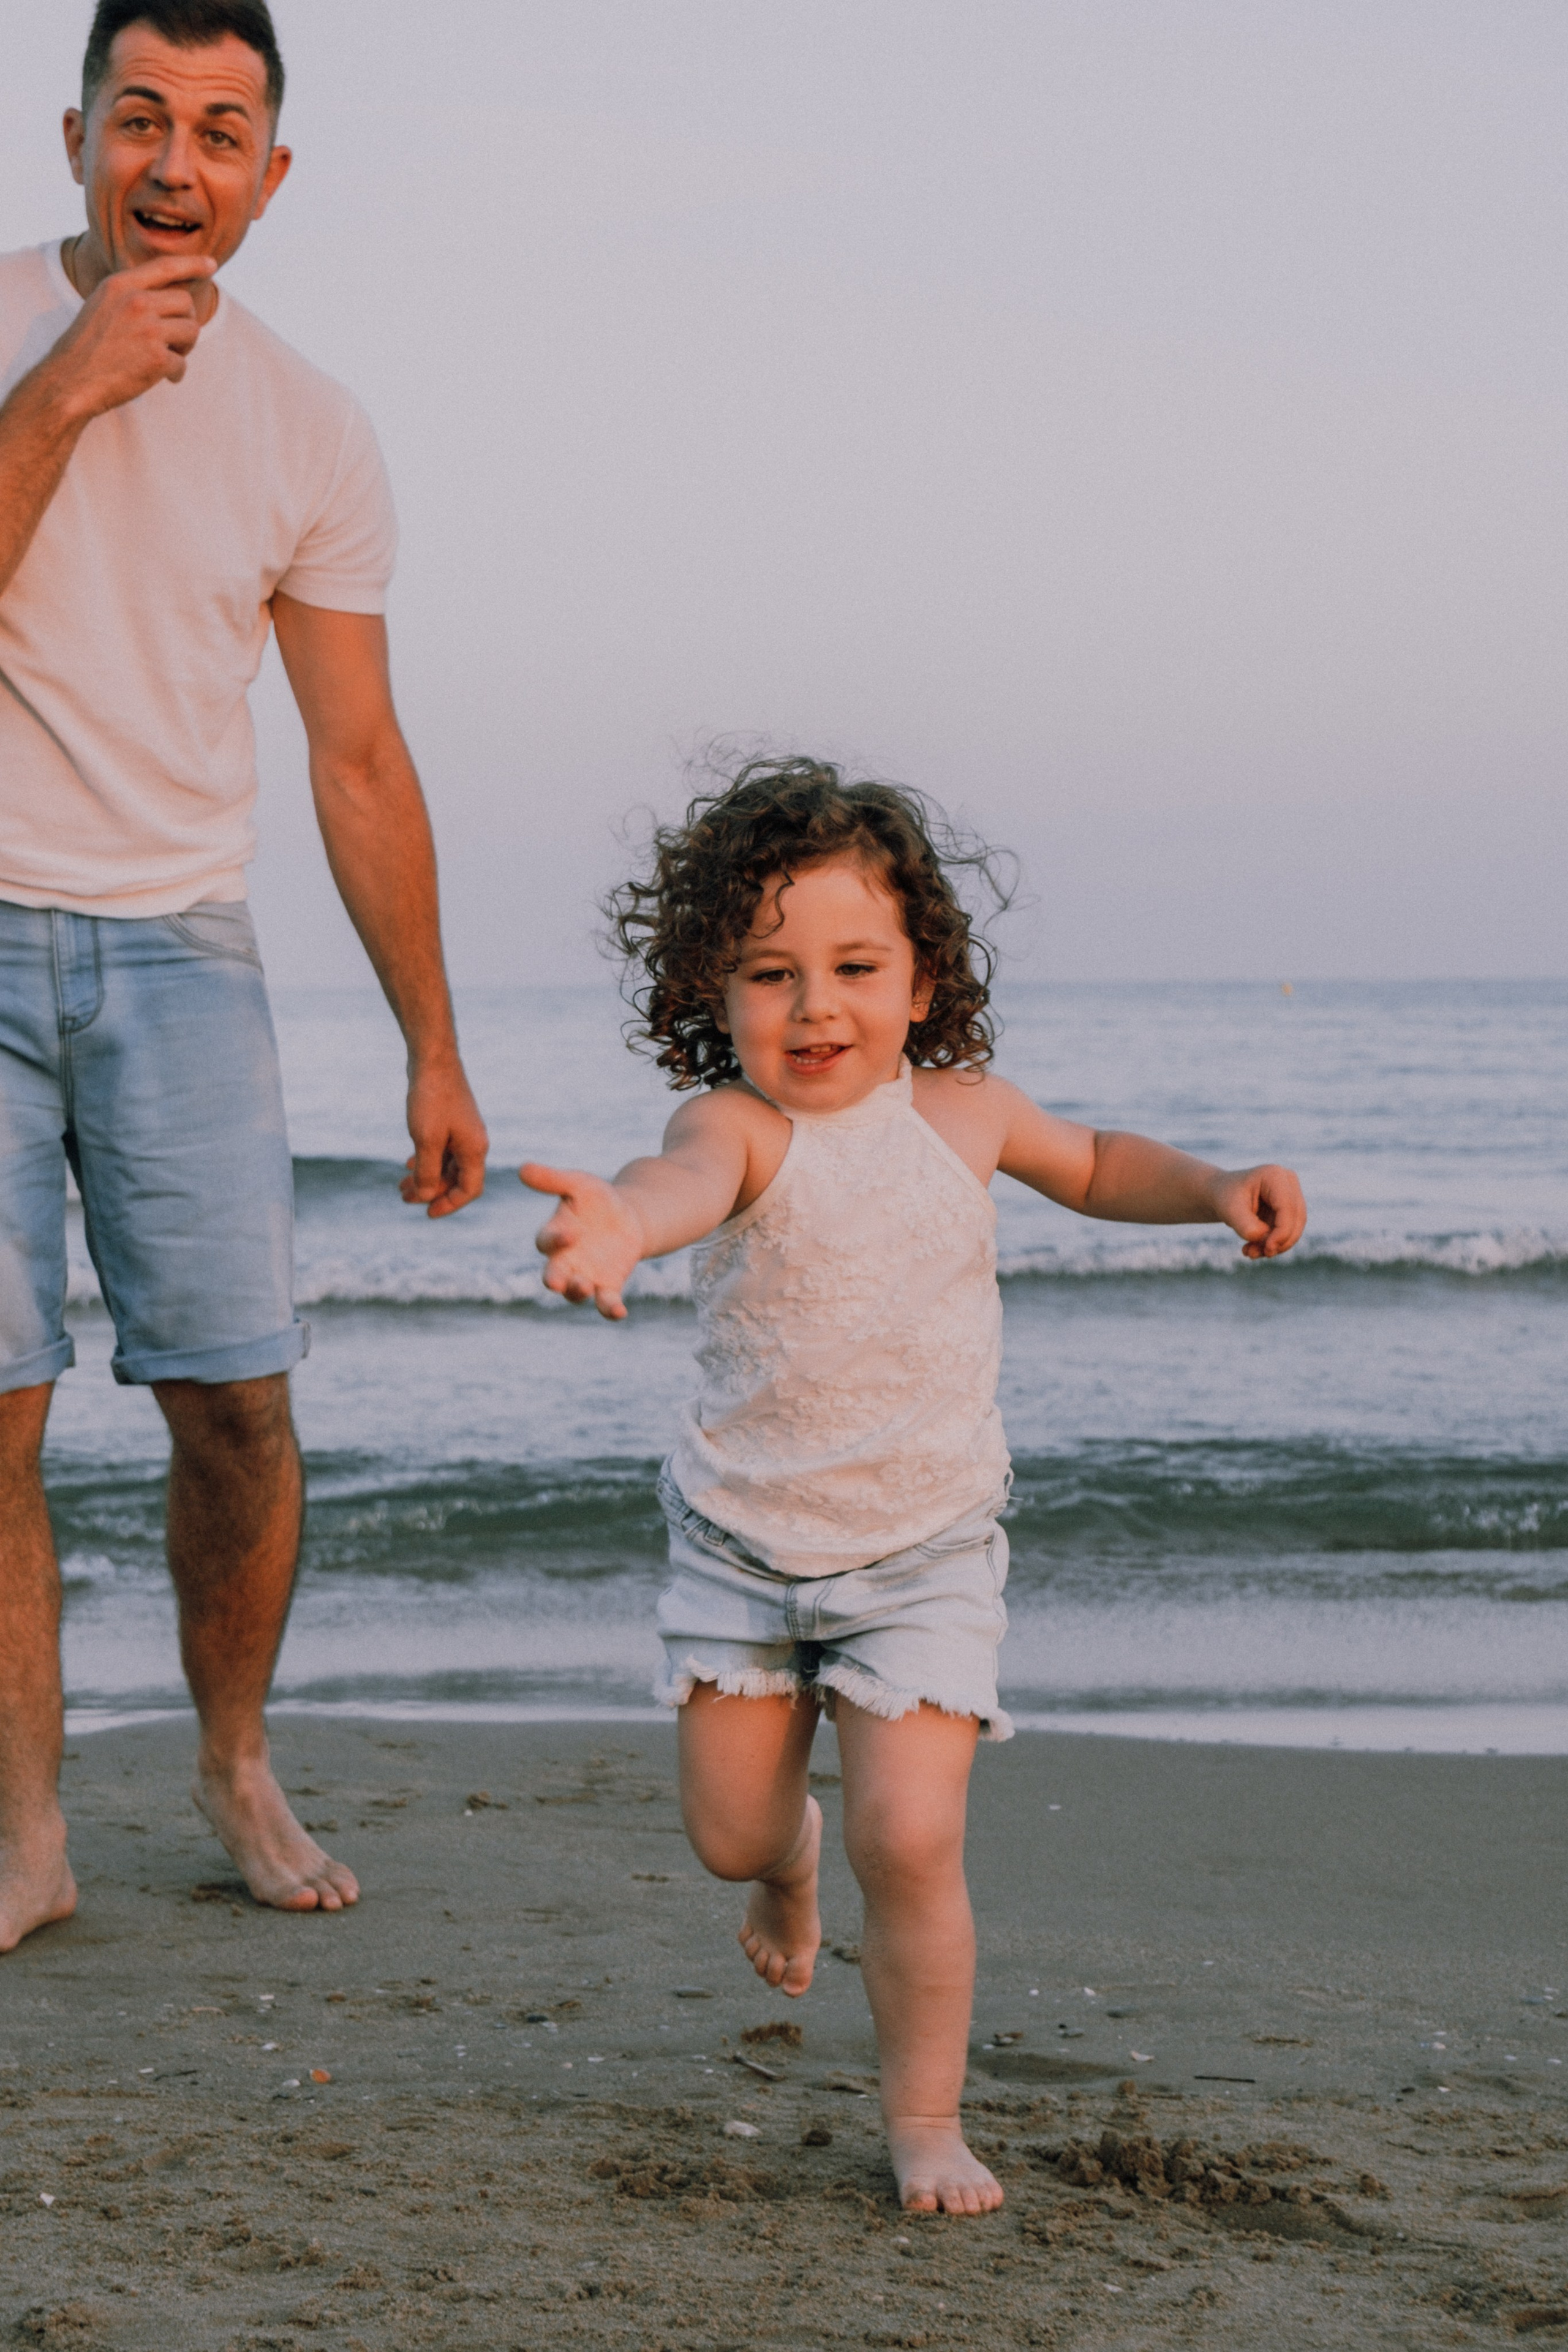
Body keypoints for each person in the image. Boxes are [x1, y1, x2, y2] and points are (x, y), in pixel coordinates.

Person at [521, 758, 1307, 2215]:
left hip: (925, 1548)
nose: (814, 1006)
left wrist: (1208, 1189)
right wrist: (616, 1226)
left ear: (923, 979)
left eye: (852, 966)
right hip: (742, 1552)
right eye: (769, 973)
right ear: (715, 993)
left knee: (914, 1835)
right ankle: (787, 1865)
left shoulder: (966, 1117)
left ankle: (925, 2122)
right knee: (729, 1835)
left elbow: (1097, 1162)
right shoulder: (735, 1127)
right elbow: (669, 1180)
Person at [0, 0, 488, 1951]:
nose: (175, 165)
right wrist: (66, 389)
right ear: (76, 143)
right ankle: (27, 1825)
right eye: (141, 120)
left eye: (218, 131)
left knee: (239, 1410)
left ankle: (230, 1757)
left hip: (184, 949)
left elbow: (357, 758)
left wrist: (434, 1048)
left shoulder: (313, 424)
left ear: (271, 178)